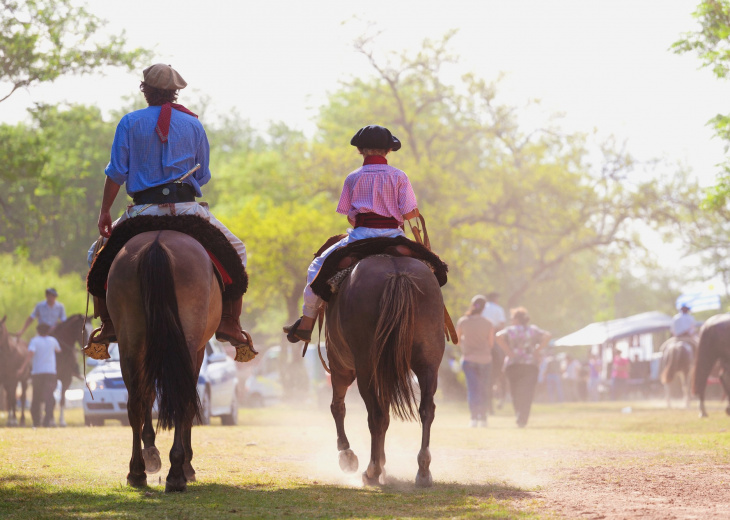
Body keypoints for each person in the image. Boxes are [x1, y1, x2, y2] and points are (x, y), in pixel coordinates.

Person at [86, 64, 251, 351]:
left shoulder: (129, 122)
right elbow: (203, 175)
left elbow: (116, 173)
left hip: (141, 212)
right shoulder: (194, 125)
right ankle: (229, 321)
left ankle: (108, 323)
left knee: (95, 256)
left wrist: (105, 211)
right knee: (238, 250)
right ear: (175, 93)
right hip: (187, 210)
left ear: (144, 91)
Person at [284, 125, 419, 342]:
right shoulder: (400, 176)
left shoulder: (353, 177)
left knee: (316, 268)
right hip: (394, 236)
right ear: (388, 151)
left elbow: (349, 216)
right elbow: (409, 213)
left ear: (361, 150)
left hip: (361, 237)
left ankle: (307, 322)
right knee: (432, 267)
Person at [495, 307, 551, 427]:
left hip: (513, 364)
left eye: (511, 318)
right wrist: (537, 350)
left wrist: (508, 351)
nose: (510, 321)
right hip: (530, 364)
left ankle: (518, 415)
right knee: (528, 391)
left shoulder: (510, 330)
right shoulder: (533, 330)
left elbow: (498, 337)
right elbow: (547, 336)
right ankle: (523, 417)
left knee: (515, 391)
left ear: (516, 319)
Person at [456, 295, 494, 427]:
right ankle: (483, 418)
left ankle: (473, 418)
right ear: (484, 308)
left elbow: (457, 341)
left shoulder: (463, 321)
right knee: (483, 389)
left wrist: (466, 345)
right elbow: (490, 343)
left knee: (472, 389)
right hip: (485, 360)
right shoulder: (488, 323)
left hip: (468, 359)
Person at [17, 323, 61, 428]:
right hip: (50, 372)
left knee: (36, 397)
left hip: (37, 373)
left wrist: (22, 368)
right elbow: (59, 350)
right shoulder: (52, 340)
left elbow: (30, 354)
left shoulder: (34, 341)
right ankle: (47, 421)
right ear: (48, 331)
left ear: (38, 331)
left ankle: (36, 421)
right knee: (49, 397)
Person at [482, 292, 506, 414]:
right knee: (503, 354)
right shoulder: (498, 309)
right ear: (495, 299)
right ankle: (503, 369)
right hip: (494, 338)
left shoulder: (482, 308)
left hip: (482, 339)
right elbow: (502, 325)